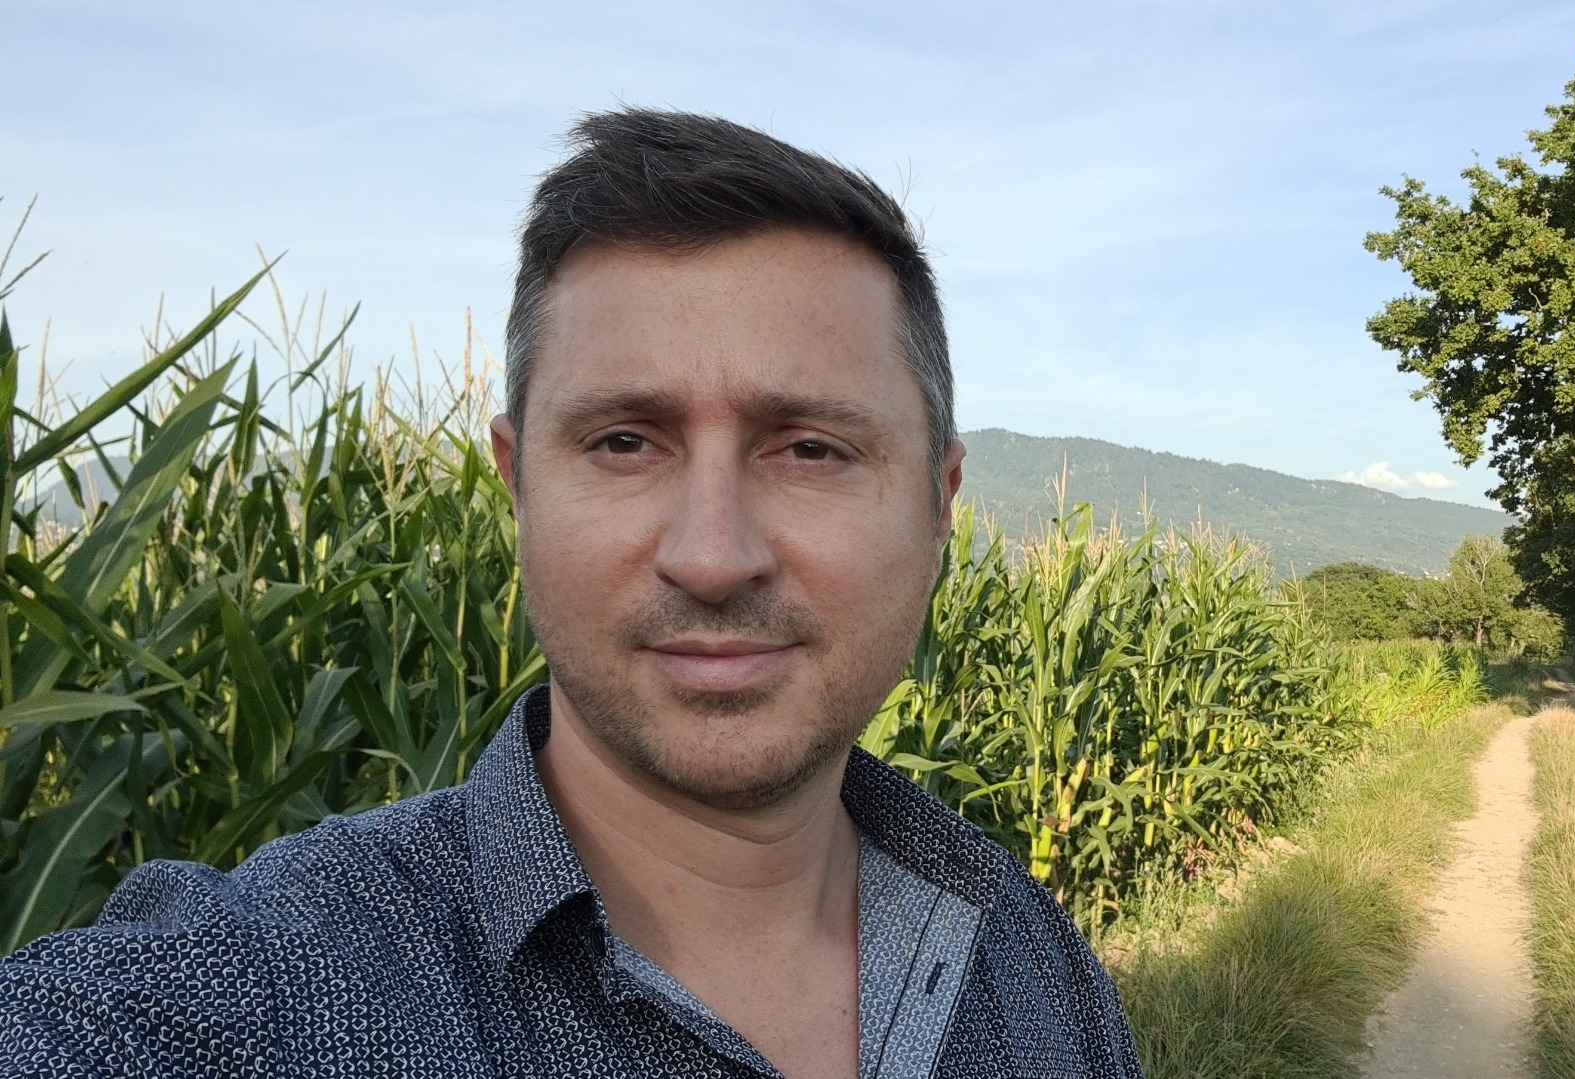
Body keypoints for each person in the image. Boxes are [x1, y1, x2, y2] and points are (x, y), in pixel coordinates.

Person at [0, 109, 1142, 1078]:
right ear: (517, 484)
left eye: (810, 449)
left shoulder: (1036, 963)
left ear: (939, 505)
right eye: (624, 441)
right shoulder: (264, 985)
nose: (712, 555)